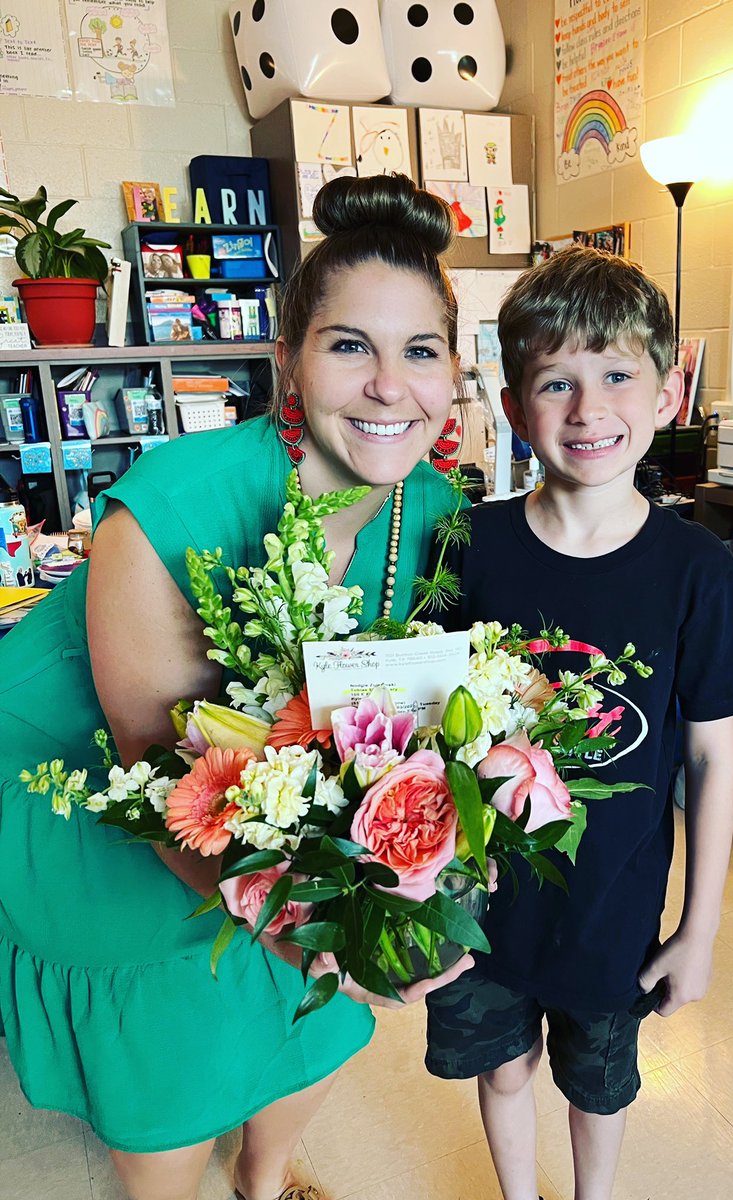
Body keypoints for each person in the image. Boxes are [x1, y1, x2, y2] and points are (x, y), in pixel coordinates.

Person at [0, 173, 472, 1200]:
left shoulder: (434, 506)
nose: (390, 386)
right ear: (287, 365)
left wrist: (386, 903)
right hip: (85, 778)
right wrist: (320, 931)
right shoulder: (175, 501)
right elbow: (157, 775)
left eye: (420, 351)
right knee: (175, 1035)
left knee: (328, 1002)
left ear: (454, 376)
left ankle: (265, 1177)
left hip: (274, 770)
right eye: (350, 345)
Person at [424, 246, 733, 1200]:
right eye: (557, 382)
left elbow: (710, 756)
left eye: (618, 375)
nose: (588, 409)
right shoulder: (469, 546)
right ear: (510, 406)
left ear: (667, 394)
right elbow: (421, 730)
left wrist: (700, 929)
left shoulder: (695, 569)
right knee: (501, 1065)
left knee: (599, 1084)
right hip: (481, 895)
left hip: (613, 903)